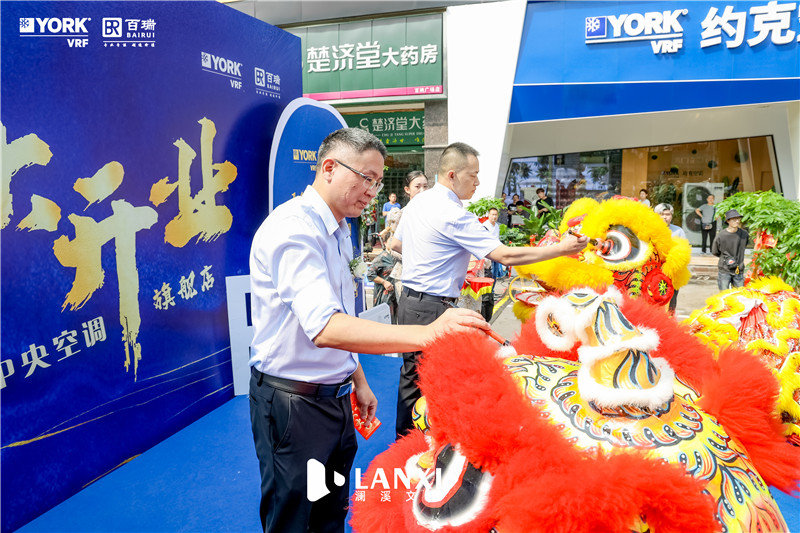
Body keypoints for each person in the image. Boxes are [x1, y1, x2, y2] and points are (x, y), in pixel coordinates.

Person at [248, 128, 488, 533]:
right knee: (294, 517)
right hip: (294, 404)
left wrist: (356, 379)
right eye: (366, 178)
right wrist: (428, 332)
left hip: (334, 398)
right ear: (329, 168)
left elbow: (341, 313)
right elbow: (326, 327)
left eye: (378, 181)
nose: (373, 191)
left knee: (331, 510)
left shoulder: (340, 229)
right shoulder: (294, 230)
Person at [391, 142, 588, 437]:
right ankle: (424, 446)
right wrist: (561, 249)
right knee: (438, 380)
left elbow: (397, 244)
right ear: (452, 174)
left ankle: (404, 444)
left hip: (409, 300)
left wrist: (435, 260)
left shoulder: (419, 202)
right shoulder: (453, 214)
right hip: (433, 308)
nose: (478, 182)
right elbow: (505, 256)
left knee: (411, 377)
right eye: (473, 175)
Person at [367, 207, 402, 322]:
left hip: (395, 296)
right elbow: (370, 274)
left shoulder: (397, 256)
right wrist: (384, 282)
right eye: (391, 240)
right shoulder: (382, 257)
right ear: (386, 242)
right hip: (384, 297)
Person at [654, 203, 687, 314]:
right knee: (654, 299)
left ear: (671, 216)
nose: (665, 217)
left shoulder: (678, 231)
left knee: (671, 299)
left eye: (667, 214)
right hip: (654, 272)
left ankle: (669, 319)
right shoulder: (651, 231)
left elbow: (684, 251)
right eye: (662, 214)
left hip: (672, 273)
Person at [712, 209, 748, 291]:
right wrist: (725, 258)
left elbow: (744, 246)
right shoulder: (721, 236)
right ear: (728, 221)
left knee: (740, 295)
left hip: (738, 270)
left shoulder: (744, 234)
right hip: (724, 270)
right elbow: (715, 251)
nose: (737, 221)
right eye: (734, 219)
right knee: (724, 295)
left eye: (738, 219)